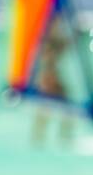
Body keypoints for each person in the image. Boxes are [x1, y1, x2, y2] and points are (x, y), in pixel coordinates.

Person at [31, 17, 75, 145]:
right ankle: (38, 139)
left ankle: (64, 138)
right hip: (46, 78)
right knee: (45, 110)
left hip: (54, 77)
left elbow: (66, 46)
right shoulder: (44, 40)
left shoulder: (56, 40)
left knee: (66, 108)